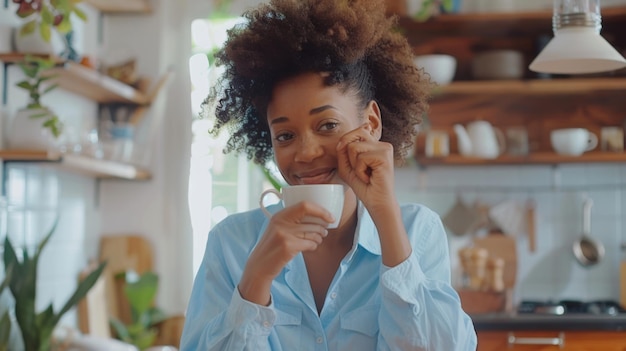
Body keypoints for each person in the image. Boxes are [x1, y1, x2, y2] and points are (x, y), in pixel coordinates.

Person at [180, 0, 477, 349]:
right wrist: (256, 279)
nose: (305, 153)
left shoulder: (416, 231)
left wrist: (386, 218)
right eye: (285, 135)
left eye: (327, 125)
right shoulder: (231, 244)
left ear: (370, 124)